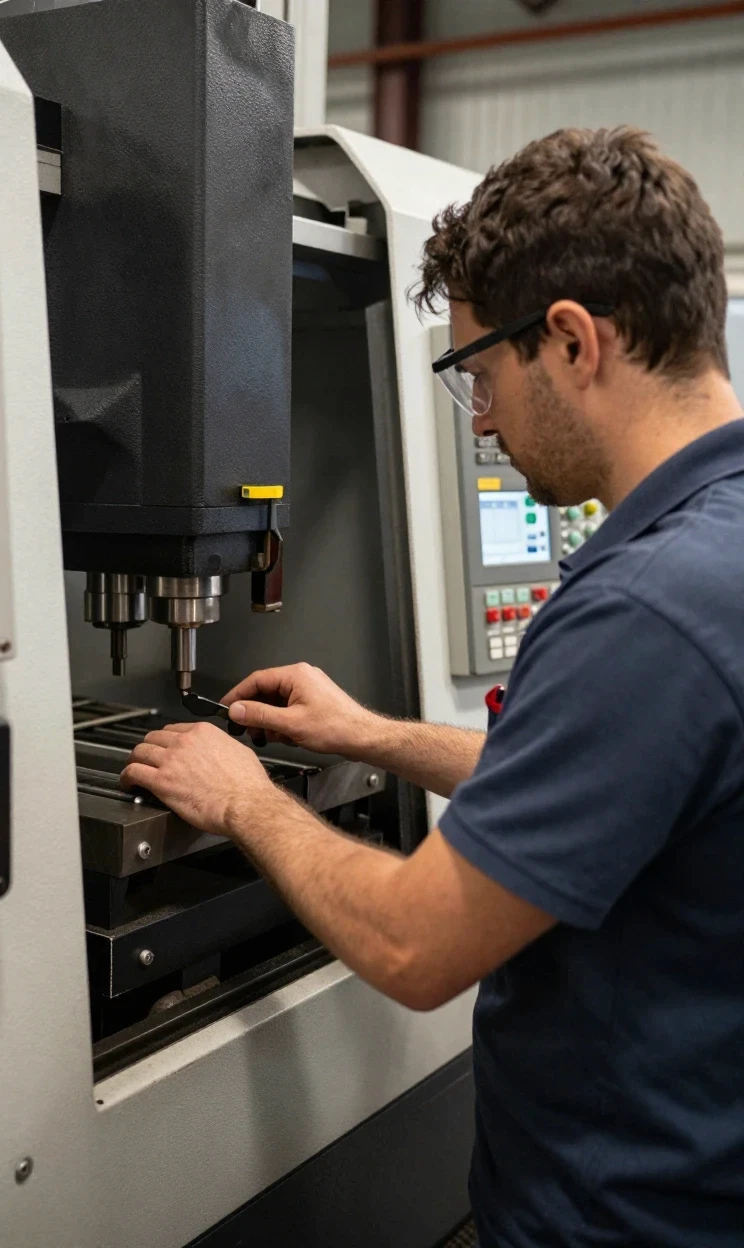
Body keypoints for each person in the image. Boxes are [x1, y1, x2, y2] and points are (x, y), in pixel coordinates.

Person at [122, 127, 744, 1247]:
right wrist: (370, 734)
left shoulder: (646, 606)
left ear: (570, 341)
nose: (487, 420)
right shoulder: (718, 544)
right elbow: (628, 787)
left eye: (482, 377)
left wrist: (242, 799)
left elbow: (417, 949)